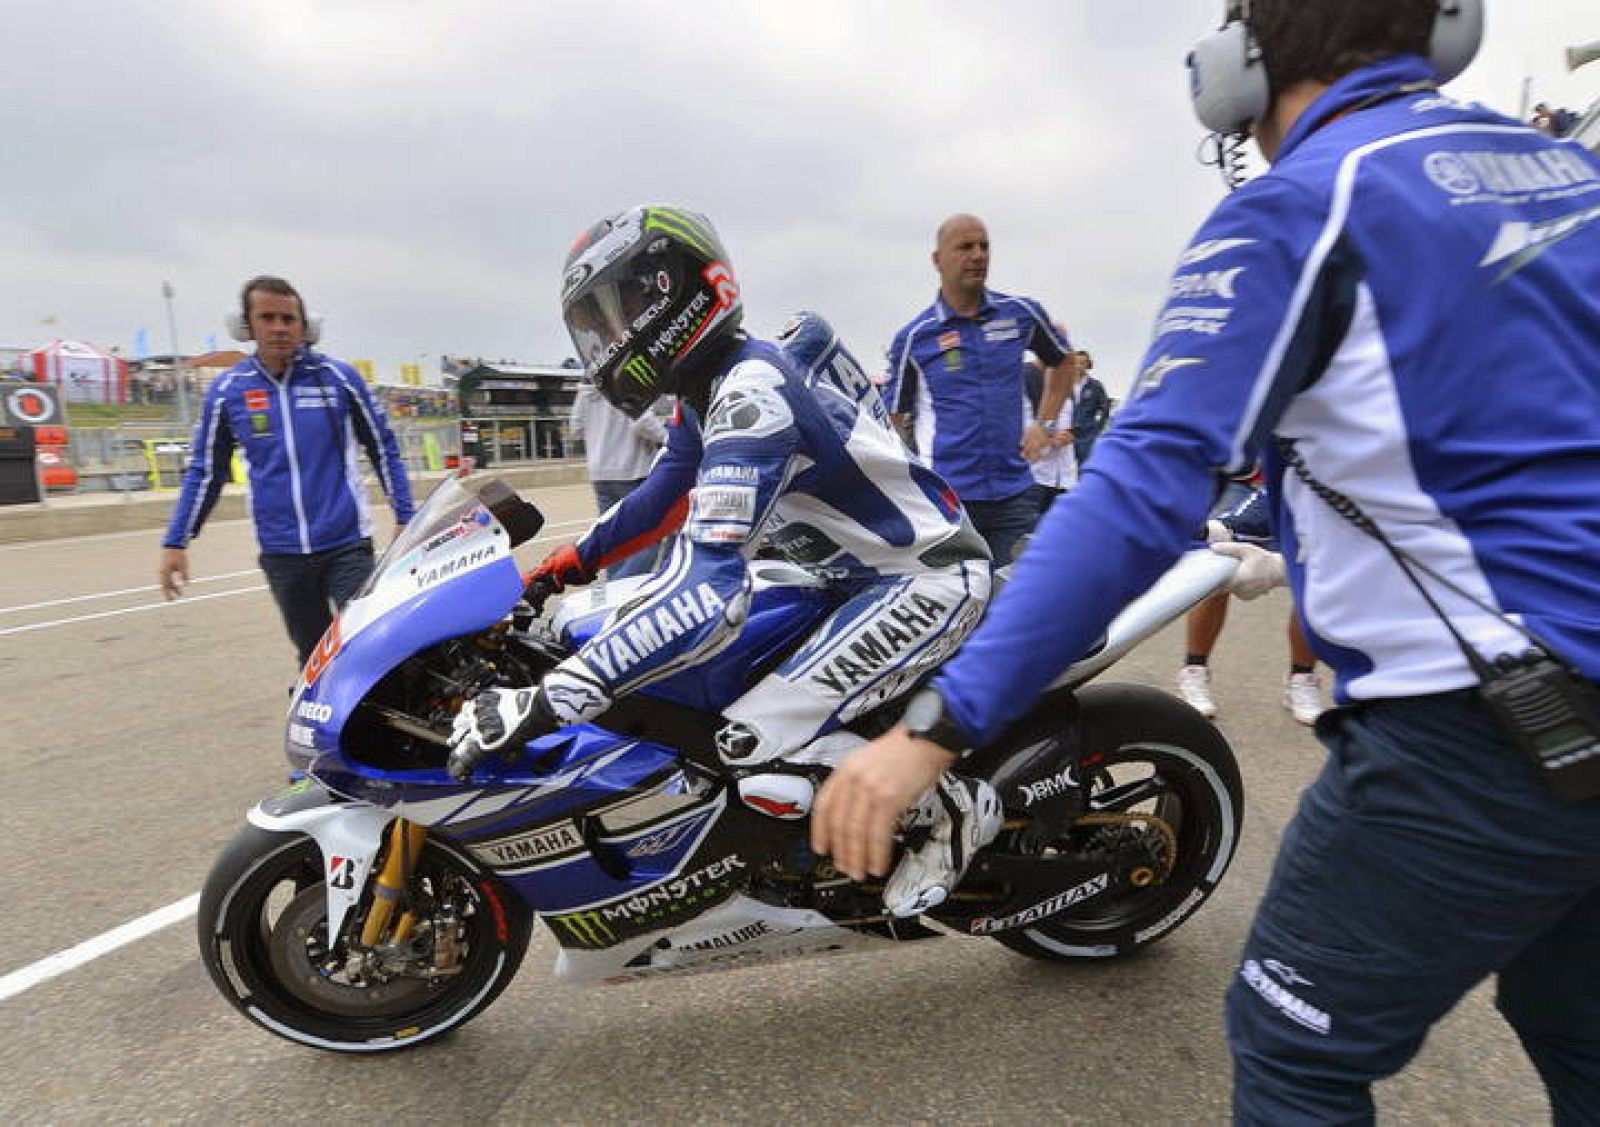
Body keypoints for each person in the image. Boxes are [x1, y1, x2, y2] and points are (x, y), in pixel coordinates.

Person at [815, 2, 1600, 1121]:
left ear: (1234, 72)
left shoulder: (1297, 206)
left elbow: (1137, 489)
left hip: (1482, 726)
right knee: (1577, 1026)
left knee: (1294, 1052)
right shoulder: (1567, 171)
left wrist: (935, 725)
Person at [447, 205, 997, 917]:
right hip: (846, 573)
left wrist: (549, 697)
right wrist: (558, 569)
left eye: (627, 308)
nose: (612, 337)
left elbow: (707, 595)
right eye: (600, 324)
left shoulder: (750, 398)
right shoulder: (710, 391)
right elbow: (659, 499)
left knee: (748, 738)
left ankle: (950, 812)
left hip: (921, 579)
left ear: (679, 293)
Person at [158, 276, 415, 666]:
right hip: (281, 553)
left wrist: (405, 516)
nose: (279, 327)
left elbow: (384, 449)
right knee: (315, 661)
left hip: (347, 543)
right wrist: (176, 541)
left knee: (370, 647)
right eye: (267, 317)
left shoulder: (339, 379)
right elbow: (205, 471)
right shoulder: (230, 390)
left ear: (304, 324)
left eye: (288, 318)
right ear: (246, 325)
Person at [884, 213, 1075, 564]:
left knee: (1018, 605)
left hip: (1015, 495)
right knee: (960, 611)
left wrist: (1045, 425)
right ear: (937, 260)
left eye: (984, 246)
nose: (978, 255)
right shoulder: (915, 337)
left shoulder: (1019, 314)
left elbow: (1064, 361)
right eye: (965, 247)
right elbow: (891, 419)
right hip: (948, 503)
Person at [1176, 481, 1325, 725]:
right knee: (1219, 561)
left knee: (1311, 578)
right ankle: (1194, 669)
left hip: (1301, 484)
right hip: (1244, 478)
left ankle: (1302, 677)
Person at [568, 377, 667, 579]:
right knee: (650, 537)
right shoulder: (627, 381)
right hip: (631, 470)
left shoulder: (587, 388)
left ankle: (614, 589)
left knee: (614, 540)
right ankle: (622, 585)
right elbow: (642, 423)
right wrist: (669, 438)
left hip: (600, 473)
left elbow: (575, 429)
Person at [1069, 350, 1111, 467]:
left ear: (1088, 365)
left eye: (1083, 363)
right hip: (1067, 434)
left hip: (1087, 436)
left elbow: (1105, 408)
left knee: (1085, 467)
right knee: (1066, 472)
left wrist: (1097, 428)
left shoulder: (1095, 386)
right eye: (1076, 363)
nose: (1079, 366)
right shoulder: (1065, 385)